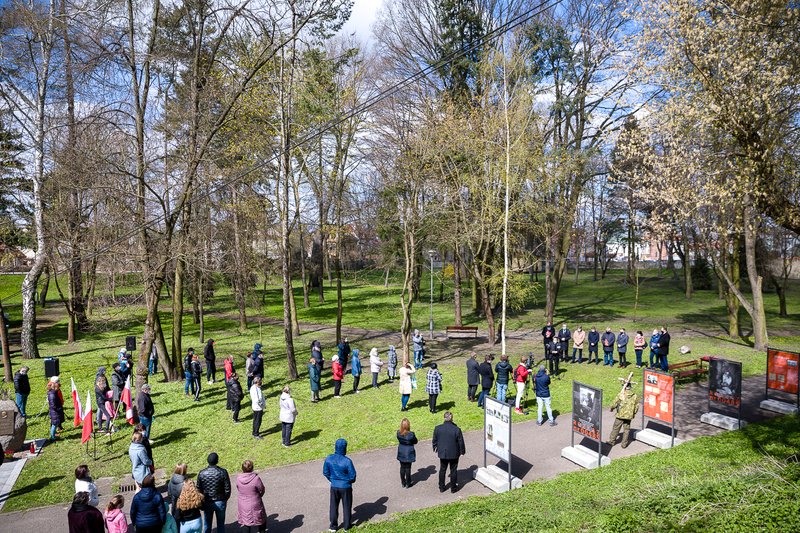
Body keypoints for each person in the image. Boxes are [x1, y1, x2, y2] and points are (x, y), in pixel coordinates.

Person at [322, 438, 357, 533]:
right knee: (346, 506)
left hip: (334, 486)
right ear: (344, 448)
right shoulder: (347, 461)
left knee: (333, 506)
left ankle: (333, 526)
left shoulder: (329, 458)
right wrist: (348, 482)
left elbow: (325, 472)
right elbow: (353, 476)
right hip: (345, 487)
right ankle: (346, 526)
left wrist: (332, 480)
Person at [196, 452, 231, 533]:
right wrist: (225, 498)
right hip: (220, 501)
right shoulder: (223, 472)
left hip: (207, 502)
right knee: (221, 525)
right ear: (217, 461)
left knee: (207, 525)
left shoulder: (202, 473)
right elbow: (227, 488)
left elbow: (198, 489)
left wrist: (201, 502)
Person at [432, 412, 465, 493]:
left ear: (444, 418)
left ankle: (441, 487)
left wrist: (435, 448)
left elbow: (434, 440)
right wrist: (462, 451)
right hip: (454, 453)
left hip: (443, 452)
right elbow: (460, 442)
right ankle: (453, 488)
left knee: (442, 469)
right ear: (452, 419)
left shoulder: (438, 428)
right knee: (453, 470)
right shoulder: (457, 429)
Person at [236, 460, 267, 533]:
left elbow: (238, 488)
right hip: (255, 502)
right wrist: (258, 496)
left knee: (246, 522)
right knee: (261, 520)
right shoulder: (256, 479)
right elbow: (261, 489)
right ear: (252, 468)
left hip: (243, 503)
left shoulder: (238, 478)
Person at [607, 383, 639, 448]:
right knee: (626, 430)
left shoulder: (621, 394)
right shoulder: (634, 395)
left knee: (616, 428)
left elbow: (615, 403)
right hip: (629, 416)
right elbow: (637, 406)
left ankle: (612, 441)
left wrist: (611, 408)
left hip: (620, 415)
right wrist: (633, 413)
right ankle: (624, 444)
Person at [396, 418, 418, 488]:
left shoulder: (398, 433)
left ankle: (403, 482)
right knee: (408, 468)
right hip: (408, 452)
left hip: (401, 451)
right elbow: (415, 441)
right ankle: (408, 483)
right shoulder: (411, 434)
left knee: (402, 467)